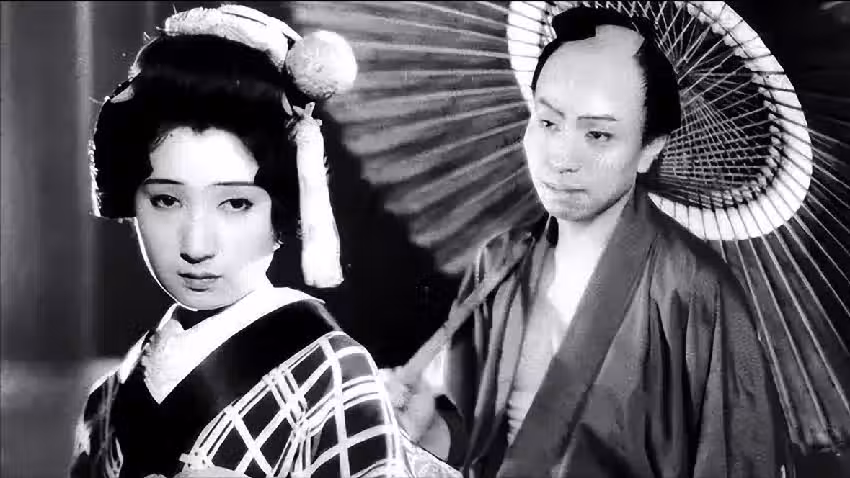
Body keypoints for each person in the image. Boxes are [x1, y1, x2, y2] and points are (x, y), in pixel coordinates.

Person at [386, 6, 789, 478]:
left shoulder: (697, 292)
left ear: (649, 149)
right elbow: (473, 442)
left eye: (598, 134)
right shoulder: (500, 263)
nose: (561, 156)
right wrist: (427, 428)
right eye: (548, 122)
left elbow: (740, 462)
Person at [69, 4, 459, 478]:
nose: (197, 244)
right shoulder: (109, 397)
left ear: (286, 207)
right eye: (167, 200)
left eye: (236, 204)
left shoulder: (330, 372)